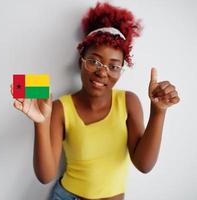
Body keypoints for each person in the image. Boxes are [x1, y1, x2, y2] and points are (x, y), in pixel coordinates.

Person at [11, 2, 180, 200]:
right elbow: (45, 175)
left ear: (121, 71)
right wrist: (40, 123)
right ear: (80, 61)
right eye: (94, 61)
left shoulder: (129, 102)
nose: (102, 72)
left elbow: (144, 165)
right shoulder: (59, 107)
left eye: (113, 66)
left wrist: (158, 112)